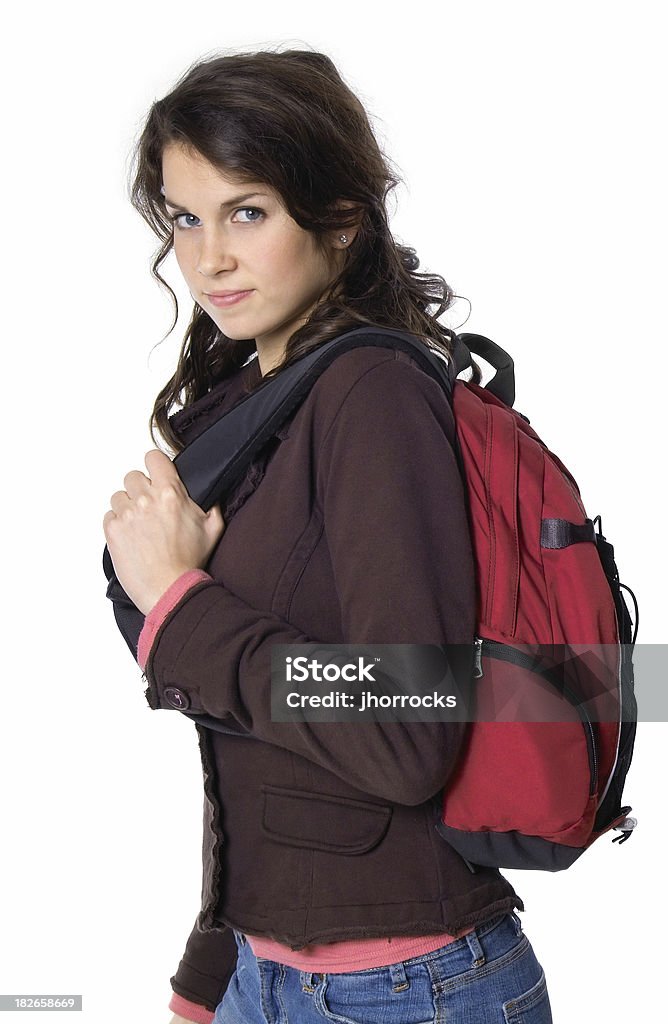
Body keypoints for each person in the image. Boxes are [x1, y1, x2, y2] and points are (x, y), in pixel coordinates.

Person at [103, 47, 554, 1024]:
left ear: (339, 218)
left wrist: (182, 601)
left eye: (246, 211)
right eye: (185, 216)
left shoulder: (372, 401)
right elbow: (263, 740)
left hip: (406, 990)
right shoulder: (262, 408)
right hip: (277, 974)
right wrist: (216, 963)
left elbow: (407, 719)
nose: (207, 255)